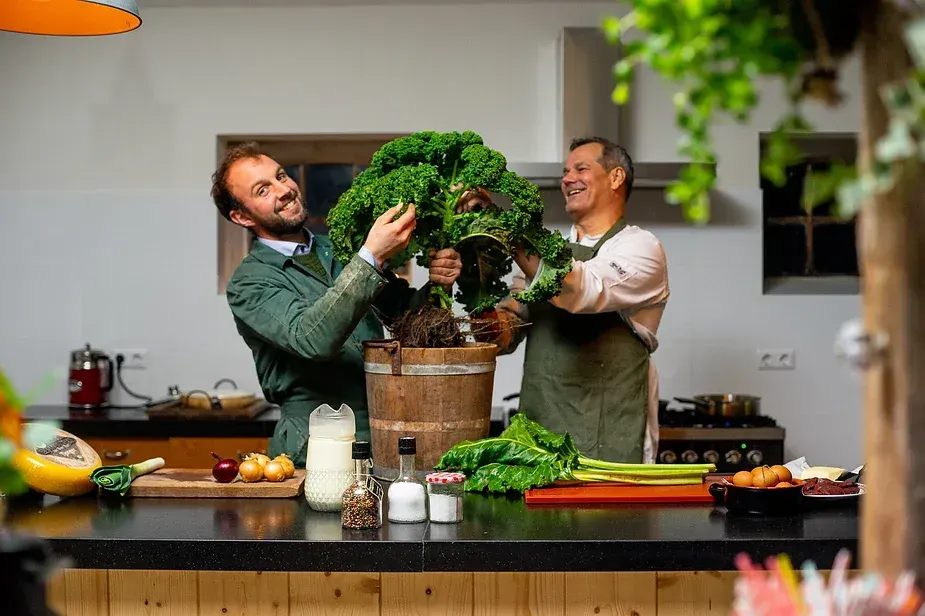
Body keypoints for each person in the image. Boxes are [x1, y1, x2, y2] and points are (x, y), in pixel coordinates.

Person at [211, 143, 463, 467]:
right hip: (314, 445)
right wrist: (371, 256)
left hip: (381, 431)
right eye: (263, 190)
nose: (284, 190)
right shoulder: (249, 282)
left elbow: (407, 315)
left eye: (281, 176)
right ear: (241, 216)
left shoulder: (339, 249)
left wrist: (439, 282)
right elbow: (311, 338)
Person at [469, 137, 669, 464]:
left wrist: (504, 229)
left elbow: (580, 289)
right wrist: (477, 281)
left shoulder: (639, 248)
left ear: (616, 177)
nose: (567, 179)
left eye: (580, 168)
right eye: (565, 172)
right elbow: (510, 326)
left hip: (610, 437)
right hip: (540, 435)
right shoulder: (547, 251)